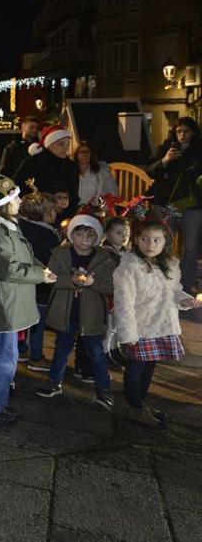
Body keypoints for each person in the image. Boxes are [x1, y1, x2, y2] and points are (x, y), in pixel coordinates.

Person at [0, 168, 57, 426]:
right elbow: (8, 268)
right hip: (2, 303)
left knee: (5, 358)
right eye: (14, 198)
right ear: (2, 204)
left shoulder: (6, 226)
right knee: (0, 360)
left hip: (9, 301)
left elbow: (22, 257)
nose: (19, 202)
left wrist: (43, 269)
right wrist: (39, 274)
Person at [113, 219, 199, 426]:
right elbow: (124, 303)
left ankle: (140, 403)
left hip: (161, 326)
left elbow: (174, 290)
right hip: (140, 328)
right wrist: (128, 333)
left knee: (150, 367)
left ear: (165, 241)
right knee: (135, 369)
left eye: (156, 240)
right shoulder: (129, 267)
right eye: (144, 239)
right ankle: (135, 406)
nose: (150, 245)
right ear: (136, 239)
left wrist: (184, 299)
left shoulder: (170, 265)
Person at [35, 214, 117, 409]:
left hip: (91, 313)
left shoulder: (104, 258)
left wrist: (92, 283)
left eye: (89, 236)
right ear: (72, 235)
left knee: (96, 352)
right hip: (66, 310)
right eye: (79, 235)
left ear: (97, 237)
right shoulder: (59, 254)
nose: (84, 240)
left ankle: (104, 389)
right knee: (61, 349)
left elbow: (111, 286)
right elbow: (51, 280)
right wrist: (70, 281)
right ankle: (54, 382)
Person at [146, 117, 202, 293]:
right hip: (166, 203)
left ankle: (184, 285)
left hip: (190, 205)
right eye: (179, 131)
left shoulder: (199, 151)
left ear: (193, 133)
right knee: (163, 244)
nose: (182, 135)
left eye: (186, 131)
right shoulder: (166, 149)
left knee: (191, 247)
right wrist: (165, 160)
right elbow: (150, 171)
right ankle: (164, 283)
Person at [16, 192, 59, 371]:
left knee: (25, 318)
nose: (56, 214)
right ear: (44, 213)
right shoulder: (45, 233)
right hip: (41, 282)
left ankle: (22, 349)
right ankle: (36, 356)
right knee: (38, 321)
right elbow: (52, 256)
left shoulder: (20, 226)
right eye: (53, 210)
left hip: (24, 280)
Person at [14, 125, 79, 221]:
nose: (65, 148)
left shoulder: (71, 166)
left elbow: (73, 193)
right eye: (61, 144)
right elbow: (20, 187)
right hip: (36, 215)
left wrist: (68, 214)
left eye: (67, 144)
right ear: (50, 144)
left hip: (63, 217)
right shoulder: (32, 163)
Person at [0, 116, 42, 180]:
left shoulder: (40, 147)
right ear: (23, 127)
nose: (35, 130)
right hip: (18, 185)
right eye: (32, 127)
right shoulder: (11, 148)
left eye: (37, 128)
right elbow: (4, 171)